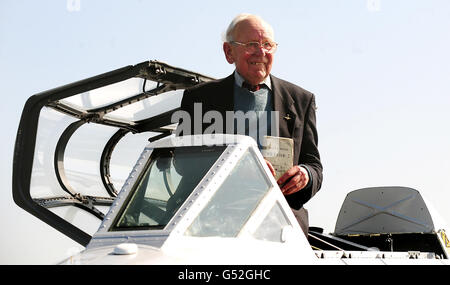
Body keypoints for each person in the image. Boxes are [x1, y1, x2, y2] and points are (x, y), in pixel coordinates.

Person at [176, 13, 323, 235]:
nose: (261, 52)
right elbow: (182, 161)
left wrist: (305, 175)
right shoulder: (199, 99)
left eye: (267, 45)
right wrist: (240, 167)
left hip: (280, 226)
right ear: (228, 52)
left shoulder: (302, 100)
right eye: (251, 44)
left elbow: (314, 166)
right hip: (210, 223)